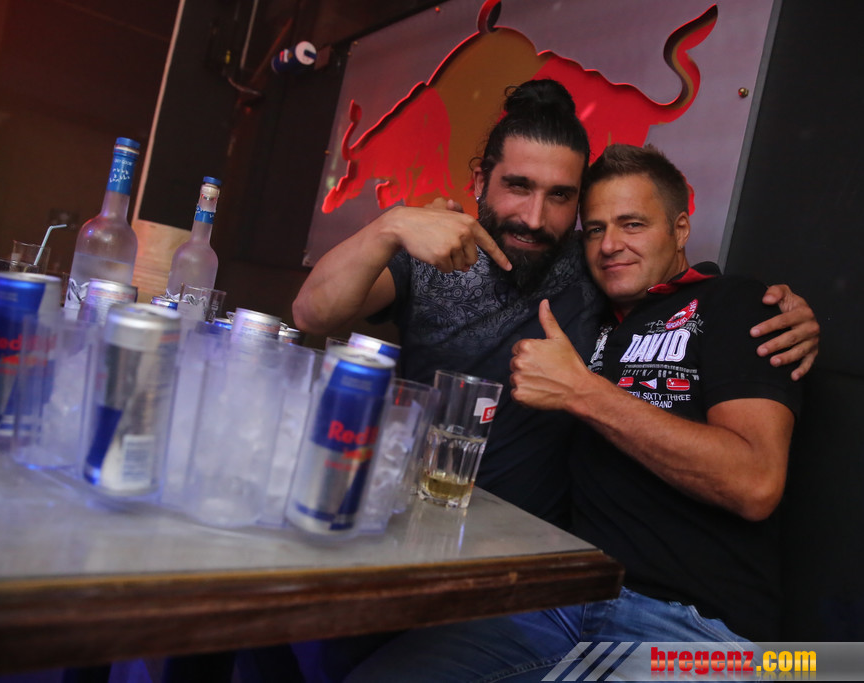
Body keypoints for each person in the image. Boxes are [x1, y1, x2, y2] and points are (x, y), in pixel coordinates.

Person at [343, 143, 802, 681]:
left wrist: (583, 392)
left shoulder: (734, 304)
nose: (610, 246)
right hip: (563, 600)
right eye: (595, 229)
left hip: (690, 627)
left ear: (680, 229)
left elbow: (755, 482)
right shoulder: (587, 311)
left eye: (633, 225)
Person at [293, 79, 818, 530]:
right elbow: (313, 313)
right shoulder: (434, 250)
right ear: (479, 181)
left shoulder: (595, 260)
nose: (535, 217)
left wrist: (778, 310)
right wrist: (390, 227)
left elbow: (673, 283)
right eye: (518, 186)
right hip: (409, 511)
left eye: (560, 196)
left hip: (528, 543)